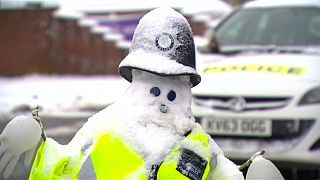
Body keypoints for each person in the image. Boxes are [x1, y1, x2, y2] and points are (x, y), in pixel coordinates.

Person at [0, 7, 268, 179]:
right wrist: (34, 151)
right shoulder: (103, 129)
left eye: (172, 92)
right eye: (154, 89)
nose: (163, 101)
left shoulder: (201, 148)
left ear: (186, 90)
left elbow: (226, 175)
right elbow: (62, 167)